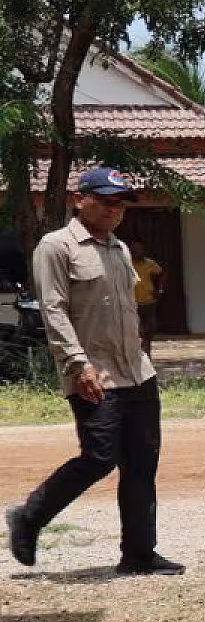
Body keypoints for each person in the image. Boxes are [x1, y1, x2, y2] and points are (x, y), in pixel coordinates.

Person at [7, 169, 183, 576]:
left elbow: (126, 309)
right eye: (104, 200)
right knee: (99, 458)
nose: (113, 209)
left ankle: (139, 554)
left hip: (137, 372)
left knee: (142, 463)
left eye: (119, 202)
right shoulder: (55, 247)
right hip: (93, 372)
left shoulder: (120, 249)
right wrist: (77, 364)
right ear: (78, 199)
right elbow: (53, 310)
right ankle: (29, 517)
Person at [128, 240, 164, 356]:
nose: (136, 252)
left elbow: (161, 274)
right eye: (134, 250)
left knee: (149, 330)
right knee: (137, 330)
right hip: (133, 302)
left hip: (149, 301)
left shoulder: (150, 263)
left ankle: (147, 353)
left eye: (139, 249)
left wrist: (159, 289)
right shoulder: (127, 263)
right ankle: (138, 354)